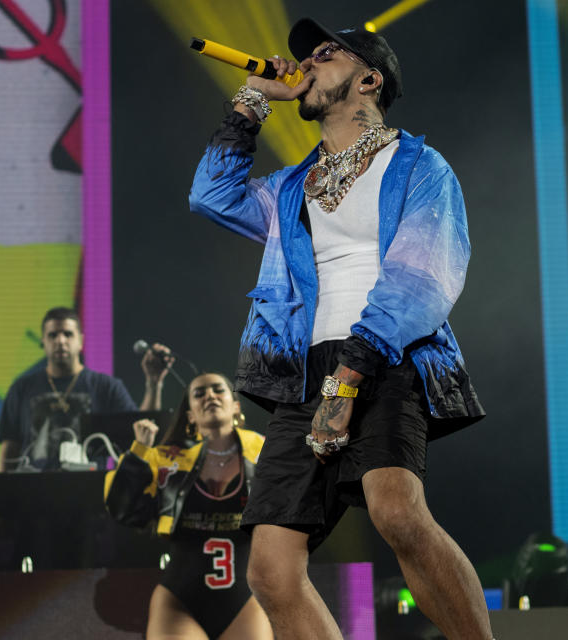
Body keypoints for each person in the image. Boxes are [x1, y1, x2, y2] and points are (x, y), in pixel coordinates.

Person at [188, 18, 493, 640]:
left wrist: (351, 375)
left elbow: (423, 279)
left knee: (396, 511)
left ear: (369, 79)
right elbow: (211, 196)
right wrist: (251, 101)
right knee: (271, 572)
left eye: (325, 55)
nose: (306, 65)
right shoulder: (293, 185)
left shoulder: (418, 166)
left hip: (384, 358)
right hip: (303, 372)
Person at [104, 372, 271, 640]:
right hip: (180, 600)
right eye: (199, 393)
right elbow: (124, 511)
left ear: (235, 405)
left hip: (245, 598)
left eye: (218, 390)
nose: (210, 396)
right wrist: (139, 452)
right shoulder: (167, 459)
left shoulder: (265, 451)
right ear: (191, 415)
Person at [0, 306, 172, 471]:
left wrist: (153, 384)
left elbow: (141, 432)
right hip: (33, 492)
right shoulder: (21, 388)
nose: (60, 341)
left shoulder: (106, 387)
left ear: (81, 341)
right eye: (52, 335)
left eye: (68, 334)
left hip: (89, 490)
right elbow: (10, 449)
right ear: (43, 342)